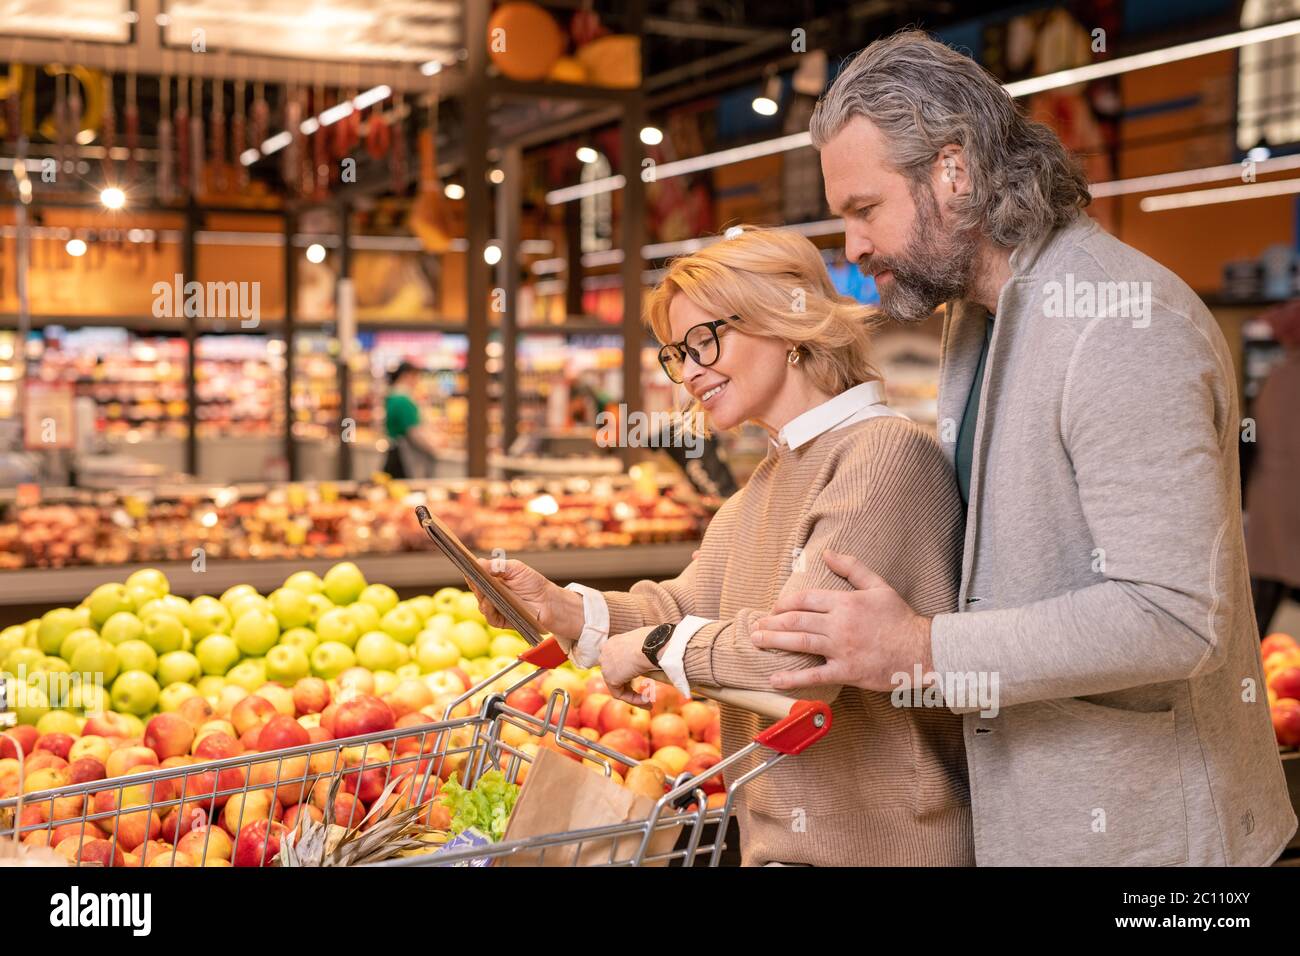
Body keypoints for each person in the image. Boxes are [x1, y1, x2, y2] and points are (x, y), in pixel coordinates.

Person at [747, 29, 1296, 866]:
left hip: (1156, 849)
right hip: (1044, 821)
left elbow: (1175, 618)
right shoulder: (982, 319)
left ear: (953, 172)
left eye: (865, 210)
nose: (852, 248)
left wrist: (921, 649)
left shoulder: (1116, 326)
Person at [473, 226, 973, 866]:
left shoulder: (882, 457)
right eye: (676, 353)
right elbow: (686, 602)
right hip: (782, 846)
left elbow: (795, 665)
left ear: (786, 321)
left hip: (885, 850)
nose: (687, 371)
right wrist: (561, 609)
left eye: (705, 339)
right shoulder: (771, 476)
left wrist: (654, 648)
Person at [1246, 300, 1300, 633]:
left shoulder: (1275, 377)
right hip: (1288, 498)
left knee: (1263, 602)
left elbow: (1250, 435)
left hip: (1269, 499)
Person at [383, 362, 439, 479]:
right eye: (416, 377)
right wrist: (432, 446)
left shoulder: (392, 396)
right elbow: (413, 432)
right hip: (404, 457)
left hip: (396, 451)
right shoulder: (403, 400)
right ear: (407, 376)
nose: (417, 381)